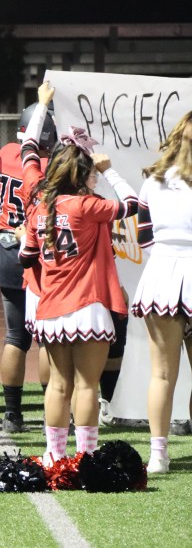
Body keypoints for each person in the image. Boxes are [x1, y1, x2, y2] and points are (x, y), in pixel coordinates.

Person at [19, 82, 138, 464]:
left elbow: (27, 150)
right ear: (82, 172)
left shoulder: (39, 202)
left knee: (58, 385)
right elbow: (134, 204)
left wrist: (41, 106)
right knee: (87, 386)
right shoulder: (90, 206)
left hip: (51, 308)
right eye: (91, 173)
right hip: (88, 307)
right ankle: (86, 459)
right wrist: (110, 169)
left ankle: (54, 458)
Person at [131, 109, 192, 473]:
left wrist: (169, 260)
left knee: (162, 374)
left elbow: (144, 237)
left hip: (161, 278)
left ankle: (158, 455)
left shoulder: (153, 182)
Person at [0, 101, 56, 433]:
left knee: (15, 336)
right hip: (39, 253)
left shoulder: (5, 152)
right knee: (45, 339)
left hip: (7, 247)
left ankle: (12, 413)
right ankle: (51, 412)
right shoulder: (52, 165)